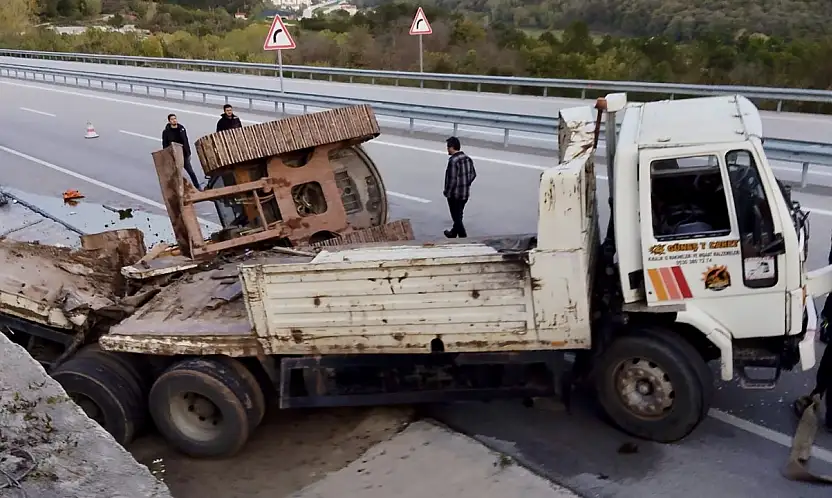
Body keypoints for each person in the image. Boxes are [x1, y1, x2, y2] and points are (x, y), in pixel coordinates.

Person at [442, 136, 476, 238]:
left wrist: (447, 192)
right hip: (465, 194)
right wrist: (465, 184)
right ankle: (453, 233)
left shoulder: (453, 161)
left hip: (454, 195)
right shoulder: (467, 159)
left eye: (448, 147)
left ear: (452, 147)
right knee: (459, 215)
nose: (447, 149)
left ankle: (463, 238)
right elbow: (473, 174)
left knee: (456, 218)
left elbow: (452, 180)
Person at [161, 114, 201, 190]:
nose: (174, 120)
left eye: (175, 118)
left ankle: (197, 186)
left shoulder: (181, 129)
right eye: (172, 119)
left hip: (184, 154)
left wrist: (188, 153)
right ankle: (176, 189)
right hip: (174, 156)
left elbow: (186, 141)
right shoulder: (166, 132)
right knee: (176, 174)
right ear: (169, 121)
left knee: (191, 172)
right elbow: (165, 144)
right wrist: (167, 155)